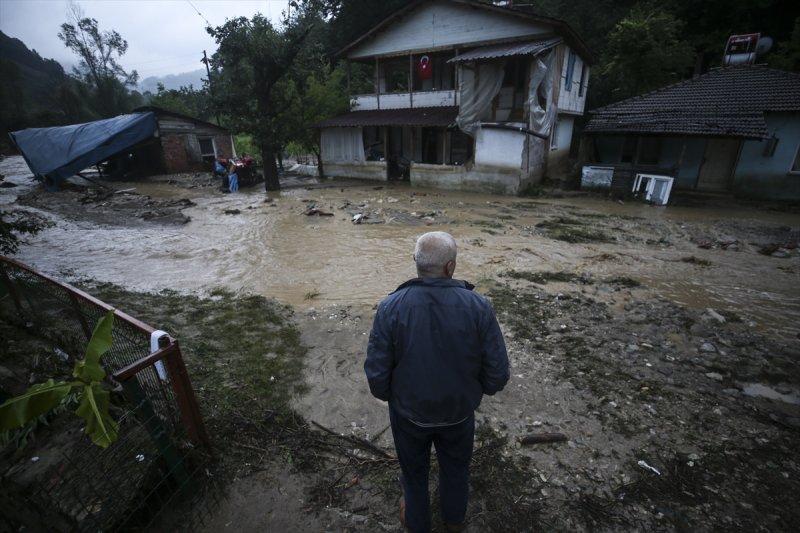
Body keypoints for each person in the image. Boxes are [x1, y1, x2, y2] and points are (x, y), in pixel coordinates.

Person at [365, 231, 510, 532]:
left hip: (409, 414)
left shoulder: (390, 306)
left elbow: (377, 374)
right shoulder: (478, 306)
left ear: (415, 262)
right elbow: (497, 373)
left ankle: (417, 524)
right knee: (456, 470)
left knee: (414, 475)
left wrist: (393, 397)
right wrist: (474, 392)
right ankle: (454, 522)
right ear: (450, 267)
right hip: (458, 413)